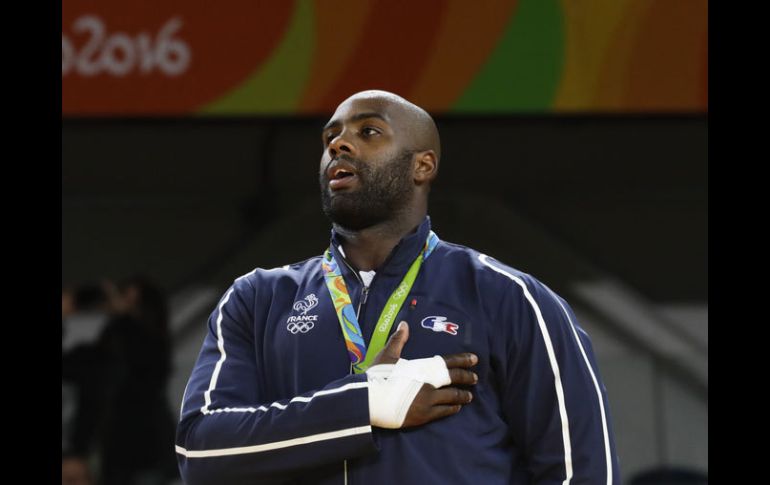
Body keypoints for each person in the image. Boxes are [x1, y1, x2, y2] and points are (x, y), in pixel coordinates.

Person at [176, 90, 620, 484]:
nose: (338, 144)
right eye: (330, 137)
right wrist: (362, 404)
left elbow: (581, 472)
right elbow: (201, 452)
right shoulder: (258, 299)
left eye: (368, 131)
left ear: (422, 165)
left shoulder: (511, 299)